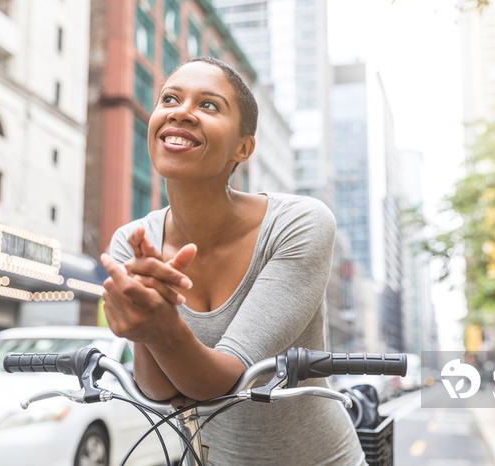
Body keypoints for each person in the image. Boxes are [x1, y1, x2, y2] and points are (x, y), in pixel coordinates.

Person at [100, 56, 367, 465]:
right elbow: (159, 392)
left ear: (244, 147)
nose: (181, 112)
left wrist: (161, 326)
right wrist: (148, 329)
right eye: (169, 98)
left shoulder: (299, 223)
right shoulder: (133, 243)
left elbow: (226, 380)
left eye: (208, 105)